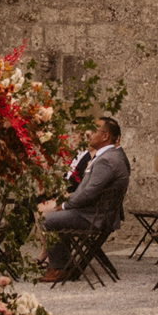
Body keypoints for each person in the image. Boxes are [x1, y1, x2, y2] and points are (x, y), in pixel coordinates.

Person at [36, 117, 128, 281]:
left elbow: (88, 193)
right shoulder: (108, 156)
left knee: (48, 220)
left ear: (105, 136)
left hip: (94, 217)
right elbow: (86, 191)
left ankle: (59, 268)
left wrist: (64, 206)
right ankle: (64, 265)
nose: (88, 134)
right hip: (93, 213)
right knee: (55, 217)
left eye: (93, 131)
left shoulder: (106, 160)